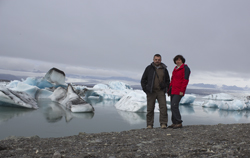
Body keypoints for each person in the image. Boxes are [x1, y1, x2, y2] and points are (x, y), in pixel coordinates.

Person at [141, 54, 170, 129]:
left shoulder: (164, 69)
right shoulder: (149, 68)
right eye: (156, 59)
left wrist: (165, 89)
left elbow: (167, 80)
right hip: (151, 91)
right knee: (150, 108)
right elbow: (143, 80)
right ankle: (149, 124)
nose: (157, 61)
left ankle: (163, 124)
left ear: (161, 60)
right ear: (153, 60)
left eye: (159, 59)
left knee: (163, 108)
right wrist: (146, 89)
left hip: (161, 91)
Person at [168, 55, 191, 129]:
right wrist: (169, 89)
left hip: (179, 90)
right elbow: (172, 80)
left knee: (174, 105)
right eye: (176, 60)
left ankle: (178, 122)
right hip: (173, 90)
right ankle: (174, 122)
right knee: (172, 106)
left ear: (182, 61)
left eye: (179, 60)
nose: (178, 61)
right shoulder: (175, 69)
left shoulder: (185, 68)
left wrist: (182, 90)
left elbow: (185, 80)